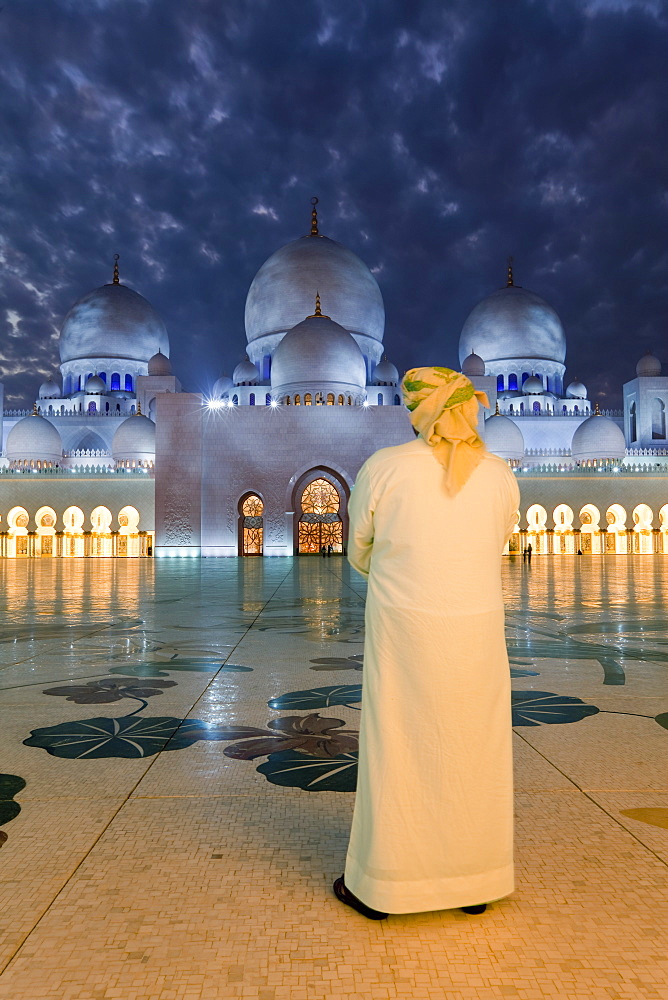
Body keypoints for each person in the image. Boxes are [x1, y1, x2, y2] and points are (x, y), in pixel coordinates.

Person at [334, 366, 520, 920]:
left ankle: (384, 889)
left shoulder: (385, 468)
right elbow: (499, 542)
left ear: (418, 410)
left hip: (404, 632)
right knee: (472, 747)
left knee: (400, 746)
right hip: (477, 633)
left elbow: (359, 549)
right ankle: (473, 883)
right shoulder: (499, 474)